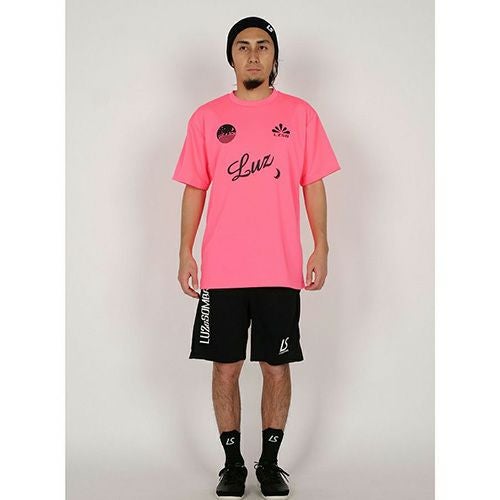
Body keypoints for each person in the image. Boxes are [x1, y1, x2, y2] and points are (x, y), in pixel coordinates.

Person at [172, 16, 342, 499]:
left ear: (274, 56)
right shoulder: (206, 118)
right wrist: (185, 251)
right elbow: (194, 187)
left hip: (279, 268)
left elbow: (313, 183)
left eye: (262, 46)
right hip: (222, 271)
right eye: (243, 46)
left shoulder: (301, 115)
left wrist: (321, 244)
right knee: (225, 367)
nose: (252, 54)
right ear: (231, 57)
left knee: (275, 366)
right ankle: (231, 465)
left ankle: (269, 463)